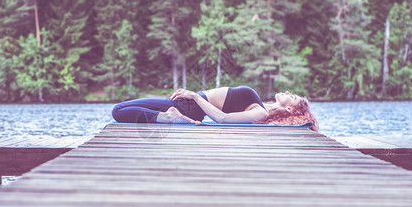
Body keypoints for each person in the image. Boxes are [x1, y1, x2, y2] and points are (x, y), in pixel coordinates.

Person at [112, 85, 318, 131]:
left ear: (290, 110)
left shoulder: (261, 112)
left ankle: (168, 118)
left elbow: (222, 119)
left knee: (118, 111)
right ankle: (167, 116)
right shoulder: (262, 107)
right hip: (188, 104)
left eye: (293, 97)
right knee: (122, 109)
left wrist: (193, 95)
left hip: (190, 107)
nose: (289, 92)